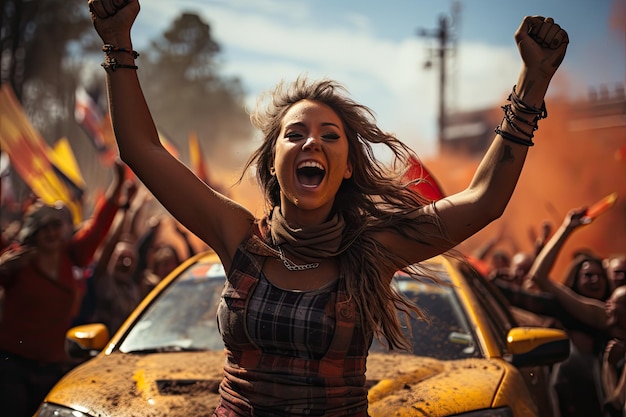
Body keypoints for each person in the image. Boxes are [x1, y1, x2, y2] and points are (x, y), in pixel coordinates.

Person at [87, 1, 568, 415]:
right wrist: (117, 43)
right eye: (294, 135)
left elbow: (483, 200)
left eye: (329, 136)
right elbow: (142, 150)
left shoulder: (374, 249)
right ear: (273, 164)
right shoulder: (239, 236)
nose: (311, 142)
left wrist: (531, 84)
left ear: (347, 169)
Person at [0, 161, 125, 417]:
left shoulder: (72, 256)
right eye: (43, 227)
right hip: (11, 366)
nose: (51, 232)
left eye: (55, 226)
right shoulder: (16, 261)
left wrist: (119, 185)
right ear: (32, 233)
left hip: (53, 367)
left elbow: (99, 227)